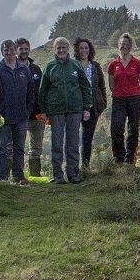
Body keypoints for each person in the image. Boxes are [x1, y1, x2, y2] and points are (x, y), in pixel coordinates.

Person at [38, 37, 93, 183]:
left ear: (67, 49)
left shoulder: (76, 65)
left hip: (75, 109)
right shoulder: (49, 67)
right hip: (56, 111)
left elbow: (86, 88)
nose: (61, 50)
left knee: (73, 143)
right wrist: (43, 111)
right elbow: (42, 91)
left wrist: (86, 108)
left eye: (63, 47)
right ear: (54, 49)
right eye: (58, 48)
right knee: (57, 144)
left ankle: (73, 174)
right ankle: (58, 175)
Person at [0, 40, 32, 184]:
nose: (9, 53)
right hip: (2, 117)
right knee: (1, 149)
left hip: (21, 117)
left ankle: (18, 177)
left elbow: (31, 93)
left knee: (19, 148)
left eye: (11, 50)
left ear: (16, 51)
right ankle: (1, 178)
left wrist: (28, 111)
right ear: (2, 52)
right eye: (6, 50)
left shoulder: (24, 70)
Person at [106, 32, 140, 164]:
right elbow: (112, 85)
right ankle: (119, 158)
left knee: (133, 130)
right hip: (118, 100)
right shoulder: (113, 65)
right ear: (118, 45)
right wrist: (122, 92)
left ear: (131, 46)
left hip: (135, 100)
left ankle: (130, 160)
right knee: (116, 129)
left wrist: (133, 92)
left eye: (127, 44)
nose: (125, 46)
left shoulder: (138, 63)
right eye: (122, 44)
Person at [75, 37, 108, 170]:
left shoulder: (95, 66)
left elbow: (102, 86)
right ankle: (72, 168)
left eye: (86, 48)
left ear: (90, 50)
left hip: (93, 107)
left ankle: (85, 167)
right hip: (76, 106)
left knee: (87, 139)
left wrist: (103, 103)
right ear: (77, 50)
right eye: (81, 48)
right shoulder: (73, 65)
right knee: (73, 139)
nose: (84, 50)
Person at [16, 38, 45, 178]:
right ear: (16, 50)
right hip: (19, 115)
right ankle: (18, 175)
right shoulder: (12, 67)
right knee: (18, 147)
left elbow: (41, 91)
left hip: (37, 115)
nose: (24, 51)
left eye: (26, 48)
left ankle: (35, 176)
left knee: (36, 147)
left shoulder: (36, 69)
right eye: (21, 49)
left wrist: (43, 111)